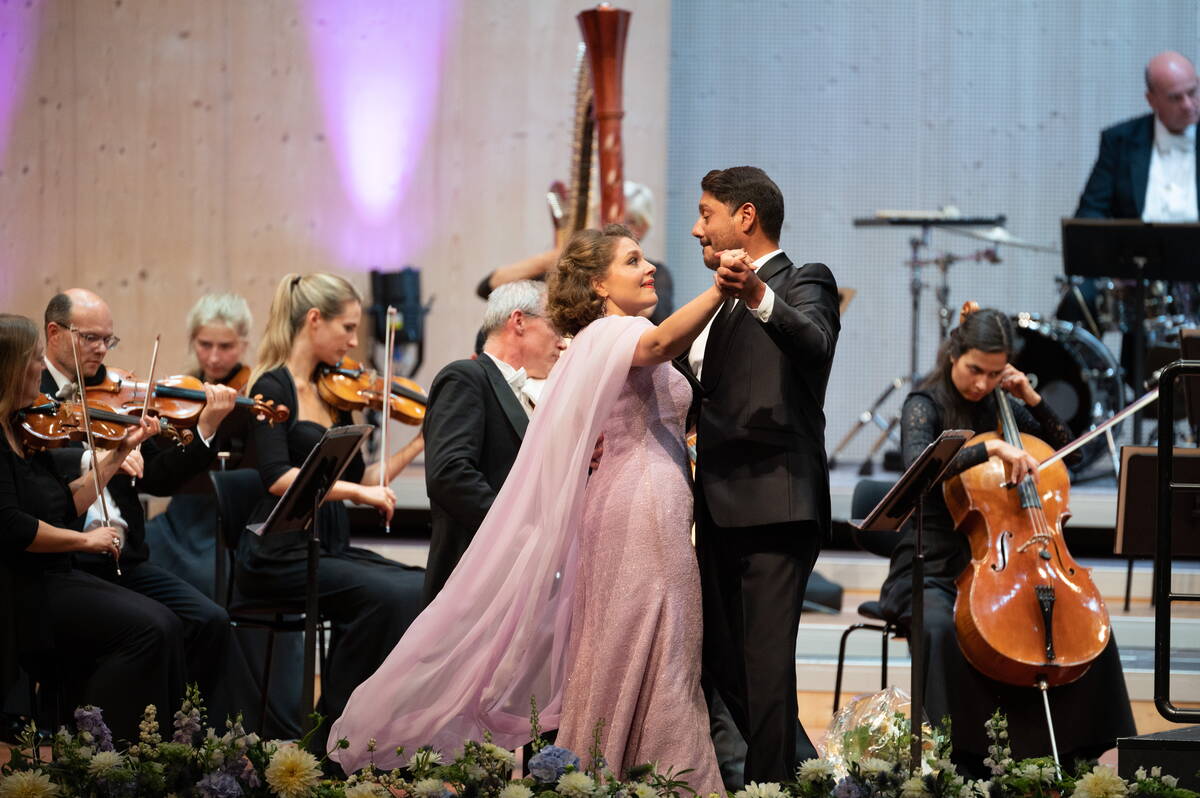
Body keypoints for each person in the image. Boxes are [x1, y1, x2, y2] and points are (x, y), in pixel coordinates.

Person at [330, 224, 742, 795]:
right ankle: (660, 780)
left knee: (657, 646)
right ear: (598, 284)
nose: (649, 268)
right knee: (655, 646)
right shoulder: (611, 332)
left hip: (660, 503)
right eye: (633, 260)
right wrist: (722, 288)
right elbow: (660, 346)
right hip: (639, 508)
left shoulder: (608, 336)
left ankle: (630, 774)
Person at [877, 305, 1135, 776]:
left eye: (994, 373)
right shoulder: (925, 404)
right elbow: (917, 474)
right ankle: (964, 761)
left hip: (1010, 562)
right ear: (955, 353)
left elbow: (1065, 453)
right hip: (933, 565)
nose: (982, 384)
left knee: (1086, 627)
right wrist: (988, 446)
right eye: (975, 369)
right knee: (941, 629)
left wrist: (1030, 398)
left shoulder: (1004, 401)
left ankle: (1077, 755)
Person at [685, 166, 840, 784]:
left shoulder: (805, 281)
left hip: (777, 503)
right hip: (715, 504)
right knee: (721, 662)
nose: (698, 228)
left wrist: (756, 295)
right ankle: (804, 774)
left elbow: (815, 343)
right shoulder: (714, 305)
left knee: (767, 666)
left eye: (707, 213)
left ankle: (768, 788)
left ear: (744, 217)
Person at [239, 272, 425, 752]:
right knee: (387, 596)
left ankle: (364, 721)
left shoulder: (333, 391)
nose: (352, 341)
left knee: (417, 585)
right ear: (314, 321)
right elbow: (278, 477)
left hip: (329, 546)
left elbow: (363, 479)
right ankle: (333, 731)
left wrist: (423, 440)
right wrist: (360, 497)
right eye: (346, 328)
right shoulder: (272, 385)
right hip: (279, 552)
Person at [41, 288, 244, 723]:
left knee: (210, 620)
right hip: (69, 558)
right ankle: (113, 743)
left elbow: (161, 477)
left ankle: (198, 741)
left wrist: (206, 428)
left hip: (126, 559)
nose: (100, 349)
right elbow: (29, 467)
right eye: (89, 337)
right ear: (54, 333)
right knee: (156, 626)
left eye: (107, 340)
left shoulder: (116, 393)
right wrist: (92, 457)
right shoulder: (31, 393)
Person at [0, 312, 186, 743]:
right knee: (148, 630)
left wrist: (120, 452)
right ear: (10, 368)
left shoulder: (24, 429)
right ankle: (99, 754)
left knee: (168, 622)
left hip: (55, 576)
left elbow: (66, 502)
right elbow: (12, 526)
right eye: (32, 359)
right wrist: (86, 538)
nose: (38, 367)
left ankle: (170, 752)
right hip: (20, 592)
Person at [422, 280, 565, 605]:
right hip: (474, 573)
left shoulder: (533, 392)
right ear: (519, 321)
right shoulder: (465, 376)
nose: (562, 343)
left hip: (520, 579)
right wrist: (519, 534)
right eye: (555, 326)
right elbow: (450, 475)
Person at [146, 293, 255, 599]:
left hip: (235, 523)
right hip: (181, 518)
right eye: (205, 345)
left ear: (244, 345)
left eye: (226, 346)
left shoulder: (256, 395)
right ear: (193, 341)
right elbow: (161, 475)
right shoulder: (178, 395)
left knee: (214, 580)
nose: (214, 358)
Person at [476, 181, 677, 325]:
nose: (611, 225)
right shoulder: (578, 270)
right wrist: (557, 256)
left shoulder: (656, 273)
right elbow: (488, 287)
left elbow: (660, 318)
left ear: (642, 228)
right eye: (603, 217)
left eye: (627, 220)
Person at [1076, 51, 1199, 221]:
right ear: (1151, 100)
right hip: (1137, 247)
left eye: (1192, 92)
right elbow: (1090, 212)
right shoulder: (1120, 141)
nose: (1188, 105)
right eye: (1175, 98)